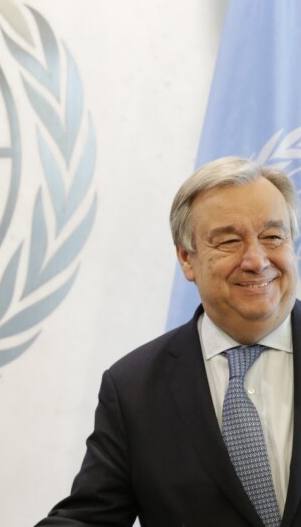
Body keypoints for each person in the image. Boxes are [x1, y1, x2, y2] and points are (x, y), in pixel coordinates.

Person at [36, 156, 301, 526]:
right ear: (186, 259)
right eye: (228, 241)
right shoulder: (133, 389)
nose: (256, 260)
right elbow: (90, 517)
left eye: (273, 237)